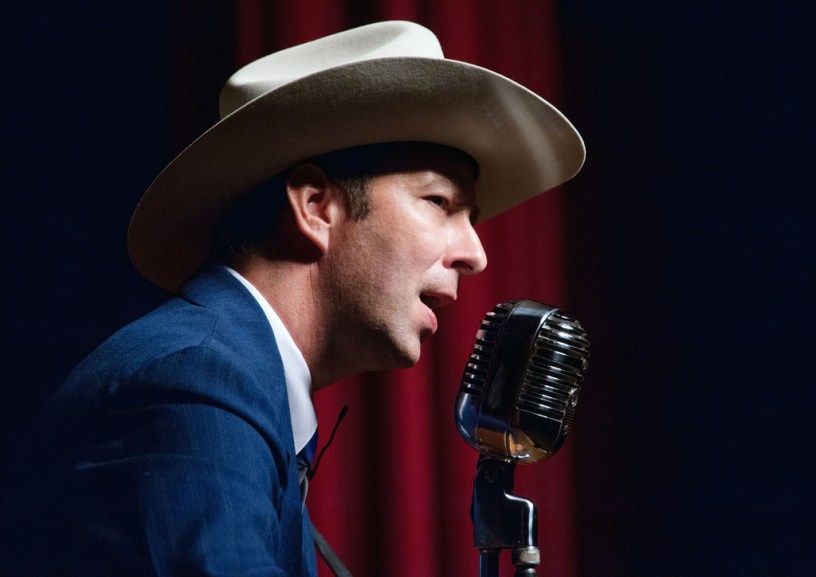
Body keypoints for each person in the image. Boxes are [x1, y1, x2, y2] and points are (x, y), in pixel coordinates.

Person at [0, 21, 584, 577]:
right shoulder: (191, 384)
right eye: (438, 202)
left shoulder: (231, 381)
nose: (476, 254)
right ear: (314, 206)